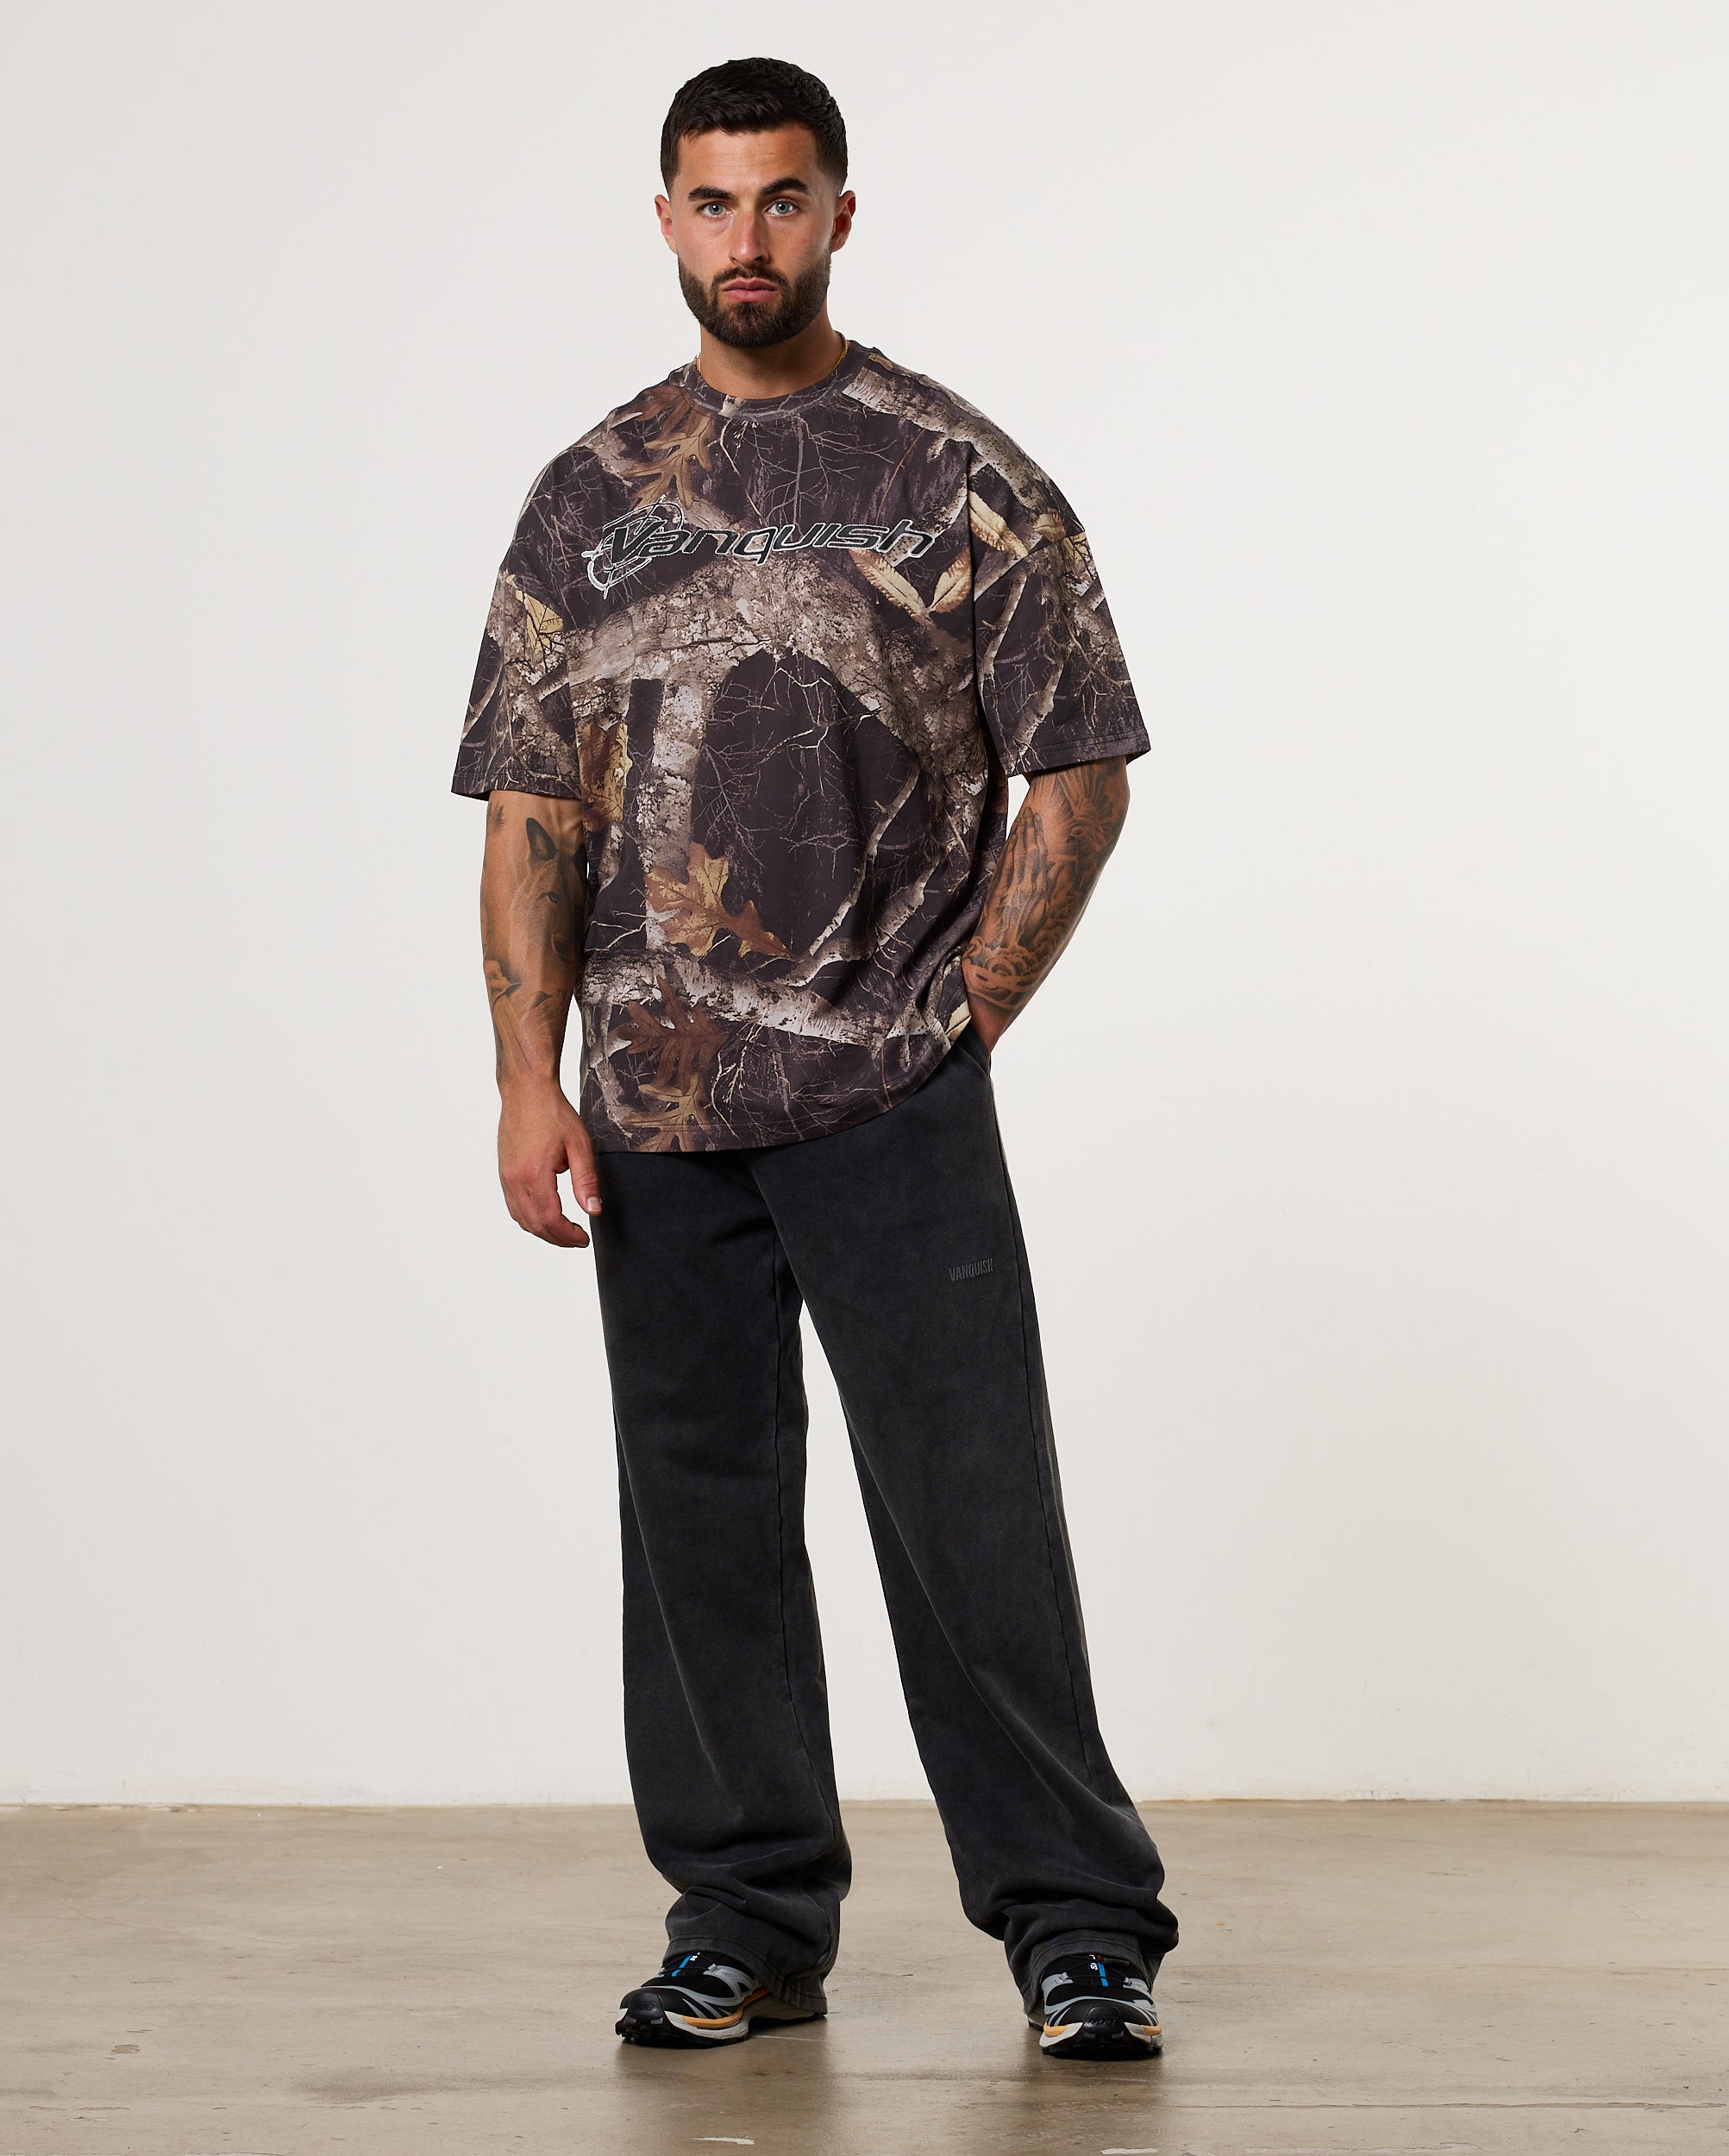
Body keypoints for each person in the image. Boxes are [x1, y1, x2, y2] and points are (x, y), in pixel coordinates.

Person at [453, 56, 1176, 2063]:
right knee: (699, 1526)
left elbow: (1081, 767)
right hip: (654, 1107)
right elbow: (529, 808)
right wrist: (526, 1077)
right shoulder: (587, 498)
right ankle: (746, 1925)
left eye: (781, 198)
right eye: (710, 201)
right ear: (663, 222)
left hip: (888, 1095)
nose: (745, 236)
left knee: (970, 1515)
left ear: (839, 214)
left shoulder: (955, 473)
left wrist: (965, 1010)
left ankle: (1077, 1925)